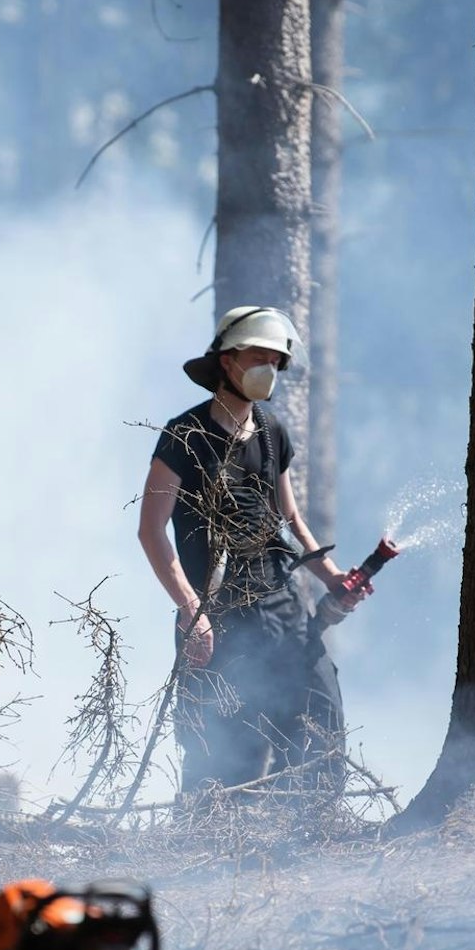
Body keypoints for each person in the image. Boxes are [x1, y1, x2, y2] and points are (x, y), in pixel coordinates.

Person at [136, 305, 367, 797]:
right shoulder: (183, 435)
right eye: (258, 354)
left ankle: (314, 835)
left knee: (318, 712)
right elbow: (151, 531)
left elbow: (291, 517)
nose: (269, 365)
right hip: (216, 614)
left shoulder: (272, 430)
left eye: (276, 358)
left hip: (281, 604)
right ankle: (212, 851)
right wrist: (190, 610)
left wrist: (332, 577)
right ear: (227, 360)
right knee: (222, 747)